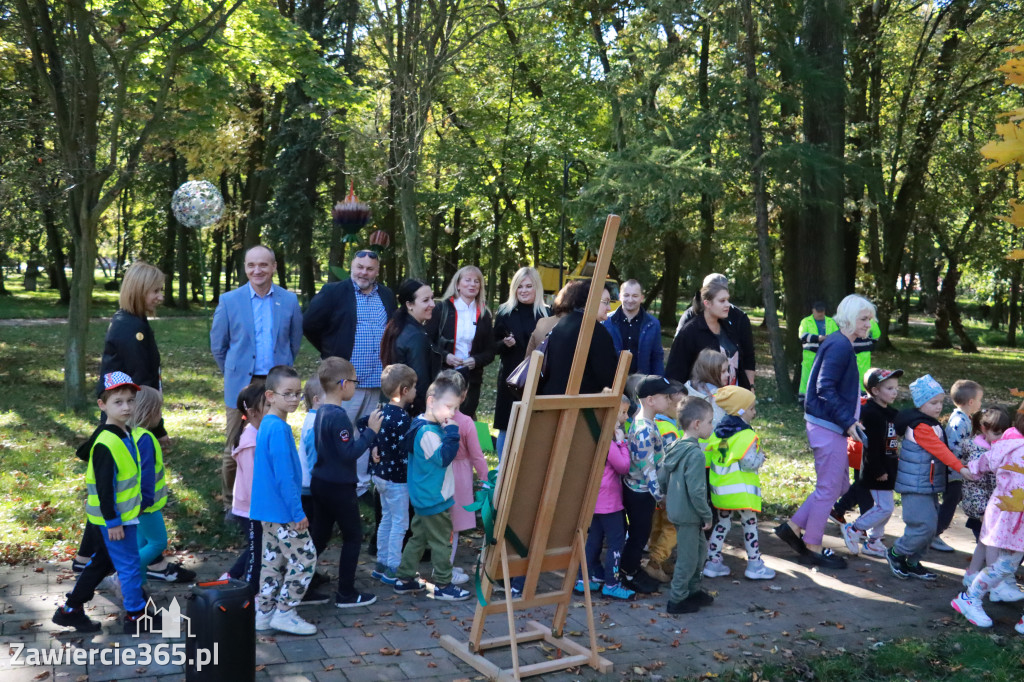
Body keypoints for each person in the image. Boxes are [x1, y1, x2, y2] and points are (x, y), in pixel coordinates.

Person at [72, 262, 168, 574]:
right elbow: (142, 385)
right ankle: (133, 562)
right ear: (140, 291)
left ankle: (88, 559)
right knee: (121, 489)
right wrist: (159, 427)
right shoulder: (132, 329)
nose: (160, 297)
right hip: (129, 419)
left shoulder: (131, 322)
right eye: (155, 291)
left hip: (125, 418)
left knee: (114, 489)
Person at [775, 294, 876, 569]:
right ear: (848, 318)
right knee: (828, 487)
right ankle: (813, 544)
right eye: (864, 319)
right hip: (827, 426)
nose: (869, 324)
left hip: (832, 426)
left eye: (870, 318)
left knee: (840, 485)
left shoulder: (841, 343)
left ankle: (794, 527)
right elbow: (824, 387)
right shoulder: (840, 346)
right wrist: (848, 421)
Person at [53, 372, 151, 634]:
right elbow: (105, 489)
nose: (127, 407)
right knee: (128, 567)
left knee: (101, 563)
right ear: (102, 405)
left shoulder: (123, 432)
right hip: (115, 520)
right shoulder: (107, 442)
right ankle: (136, 617)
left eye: (130, 400)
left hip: (115, 517)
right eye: (118, 402)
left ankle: (70, 610)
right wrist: (114, 522)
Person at [211, 246, 303, 516]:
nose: (257, 270)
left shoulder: (289, 301)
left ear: (274, 266)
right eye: (251, 265)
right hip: (242, 384)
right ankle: (231, 504)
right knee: (235, 448)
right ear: (245, 267)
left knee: (274, 443)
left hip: (275, 385)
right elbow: (218, 346)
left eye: (263, 265)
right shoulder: (230, 301)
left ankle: (269, 499)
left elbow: (294, 342)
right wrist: (235, 374)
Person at [303, 250, 395, 502]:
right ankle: (330, 483)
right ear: (352, 266)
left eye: (369, 268)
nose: (363, 272)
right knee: (338, 432)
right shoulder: (334, 292)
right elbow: (310, 323)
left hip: (376, 379)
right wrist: (329, 351)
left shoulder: (386, 295)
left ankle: (360, 486)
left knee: (366, 432)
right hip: (344, 382)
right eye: (359, 267)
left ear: (377, 271)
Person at [251, 365, 319, 636]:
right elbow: (284, 477)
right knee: (305, 559)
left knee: (273, 561)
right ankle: (285, 612)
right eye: (287, 393)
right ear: (270, 395)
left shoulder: (268, 424)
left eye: (298, 394)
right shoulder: (277, 429)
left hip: (267, 512)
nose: (293, 399)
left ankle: (264, 613)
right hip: (283, 511)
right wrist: (296, 512)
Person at [885, 375, 974, 581]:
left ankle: (913, 562)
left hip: (929, 484)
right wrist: (960, 468)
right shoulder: (920, 426)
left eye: (941, 402)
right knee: (923, 526)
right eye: (933, 403)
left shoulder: (929, 423)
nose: (938, 407)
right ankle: (896, 553)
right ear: (920, 403)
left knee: (931, 527)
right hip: (915, 486)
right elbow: (940, 450)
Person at [312, 357, 383, 608]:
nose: (356, 385)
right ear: (343, 384)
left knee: (319, 537)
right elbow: (348, 453)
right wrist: (371, 432)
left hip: (321, 482)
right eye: (354, 381)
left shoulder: (321, 410)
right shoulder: (339, 416)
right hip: (339, 487)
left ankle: (303, 585)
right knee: (353, 537)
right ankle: (346, 593)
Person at [393, 375, 471, 601]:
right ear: (431, 401)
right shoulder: (428, 432)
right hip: (433, 498)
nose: (452, 414)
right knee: (441, 542)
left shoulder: (423, 423)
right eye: (448, 407)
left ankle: (404, 578)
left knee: (419, 538)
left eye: (455, 408)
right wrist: (453, 434)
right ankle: (444, 585)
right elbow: (444, 458)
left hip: (424, 496)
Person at [950, 399, 1024, 631]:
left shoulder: (1007, 445)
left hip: (1012, 516)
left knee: (1005, 565)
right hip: (1010, 518)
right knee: (1004, 566)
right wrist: (968, 471)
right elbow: (979, 464)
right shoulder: (1011, 448)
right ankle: (970, 599)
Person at [703, 386, 775, 581]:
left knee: (722, 524)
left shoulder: (718, 432)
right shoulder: (746, 436)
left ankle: (713, 561)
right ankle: (754, 564)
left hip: (722, 491)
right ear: (741, 411)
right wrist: (761, 457)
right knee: (749, 524)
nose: (755, 412)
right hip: (741, 491)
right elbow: (750, 462)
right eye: (752, 408)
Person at [130, 387, 195, 583]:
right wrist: (146, 500)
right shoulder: (146, 439)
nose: (161, 415)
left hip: (134, 503)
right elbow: (147, 473)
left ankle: (136, 587)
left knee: (141, 544)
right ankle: (123, 574)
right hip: (146, 505)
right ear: (149, 412)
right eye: (159, 410)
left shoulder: (128, 434)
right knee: (157, 543)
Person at [839, 369, 902, 558]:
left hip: (889, 466)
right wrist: (877, 469)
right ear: (875, 391)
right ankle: (855, 529)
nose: (894, 392)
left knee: (886, 507)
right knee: (885, 507)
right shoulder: (871, 414)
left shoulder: (890, 412)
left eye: (896, 388)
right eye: (889, 388)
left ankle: (874, 541)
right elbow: (871, 447)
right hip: (877, 469)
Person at [660, 397, 716, 614]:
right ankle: (677, 598)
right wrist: (707, 514)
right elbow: (697, 490)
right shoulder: (695, 454)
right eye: (710, 422)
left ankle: (693, 590)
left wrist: (665, 495)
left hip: (679, 511)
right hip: (690, 514)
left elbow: (662, 475)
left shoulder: (675, 446)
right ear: (697, 424)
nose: (712, 426)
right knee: (688, 558)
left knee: (700, 552)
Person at [576, 395, 634, 601]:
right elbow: (623, 466)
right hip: (609, 500)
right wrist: (622, 443)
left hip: (595, 499)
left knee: (593, 540)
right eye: (623, 412)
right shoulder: (608, 442)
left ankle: (584, 579)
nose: (626, 417)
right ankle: (612, 583)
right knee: (617, 541)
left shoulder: (592, 436)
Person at [622, 375, 673, 593]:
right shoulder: (644, 429)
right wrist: (660, 495)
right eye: (666, 397)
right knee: (639, 534)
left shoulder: (647, 423)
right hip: (640, 492)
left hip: (643, 491)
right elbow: (648, 468)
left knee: (641, 532)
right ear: (651, 400)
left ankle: (631, 569)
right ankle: (628, 572)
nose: (670, 401)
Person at [959, 406, 1017, 598]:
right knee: (994, 543)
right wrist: (982, 509)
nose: (1001, 437)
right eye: (997, 433)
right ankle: (995, 584)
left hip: (994, 505)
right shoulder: (978, 450)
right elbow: (974, 483)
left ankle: (972, 574)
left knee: (984, 543)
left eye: (1003, 432)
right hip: (984, 505)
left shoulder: (997, 447)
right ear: (984, 429)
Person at [493, 267, 548, 456]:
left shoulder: (546, 314)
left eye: (528, 286)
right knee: (506, 425)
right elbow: (492, 345)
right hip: (510, 377)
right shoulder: (505, 312)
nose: (523, 290)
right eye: (519, 286)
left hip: (538, 378)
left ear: (537, 288)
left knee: (534, 425)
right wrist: (504, 344)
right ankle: (502, 471)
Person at [440, 370, 489, 584]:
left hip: (439, 473)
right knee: (453, 528)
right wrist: (486, 482)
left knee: (440, 524)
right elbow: (478, 457)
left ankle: (443, 564)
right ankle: (445, 570)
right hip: (459, 477)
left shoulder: (433, 418)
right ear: (464, 394)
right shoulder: (467, 422)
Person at [369, 364, 416, 585]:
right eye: (415, 386)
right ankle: (393, 567)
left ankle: (381, 562)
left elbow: (364, 427)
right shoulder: (403, 419)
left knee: (386, 519)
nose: (417, 390)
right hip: (397, 479)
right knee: (400, 523)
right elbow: (406, 449)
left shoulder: (379, 411)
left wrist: (373, 448)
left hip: (380, 476)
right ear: (405, 390)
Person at [427, 265, 495, 419]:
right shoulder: (442, 309)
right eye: (468, 280)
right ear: (457, 284)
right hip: (443, 376)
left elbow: (491, 351)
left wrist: (476, 360)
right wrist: (446, 356)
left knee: (464, 420)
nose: (472, 284)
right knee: (441, 419)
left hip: (471, 380)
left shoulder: (484, 313)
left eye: (476, 281)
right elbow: (428, 341)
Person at [665, 278, 751, 390]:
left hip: (732, 399)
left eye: (728, 300)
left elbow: (742, 363)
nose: (728, 304)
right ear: (707, 303)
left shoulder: (729, 328)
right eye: (722, 301)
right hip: (702, 401)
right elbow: (675, 375)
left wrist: (748, 390)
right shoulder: (689, 332)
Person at [222, 383, 267, 594]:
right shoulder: (251, 441)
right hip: (251, 509)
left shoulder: (254, 432)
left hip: (253, 508)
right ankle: (250, 593)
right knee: (257, 553)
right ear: (252, 412)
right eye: (267, 405)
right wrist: (262, 508)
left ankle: (229, 577)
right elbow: (251, 481)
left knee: (256, 548)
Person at [537, 280, 617, 396]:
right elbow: (609, 378)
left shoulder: (562, 323)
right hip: (578, 407)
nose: (609, 308)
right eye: (605, 302)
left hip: (550, 400)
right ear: (589, 300)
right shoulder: (595, 330)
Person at [932, 380, 984, 553]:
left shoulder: (965, 418)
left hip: (958, 472)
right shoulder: (959, 421)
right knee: (950, 503)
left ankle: (932, 530)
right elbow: (954, 449)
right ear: (971, 402)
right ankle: (933, 534)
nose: (980, 403)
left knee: (952, 502)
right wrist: (965, 464)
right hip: (954, 473)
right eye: (979, 400)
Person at [381, 279, 435, 416]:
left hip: (397, 405)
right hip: (412, 411)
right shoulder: (415, 336)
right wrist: (426, 414)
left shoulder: (398, 326)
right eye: (426, 300)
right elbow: (421, 383)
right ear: (409, 304)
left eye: (432, 299)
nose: (433, 304)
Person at [603, 279, 664, 375]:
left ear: (642, 298)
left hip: (641, 384)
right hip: (611, 381)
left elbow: (657, 357)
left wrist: (658, 383)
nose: (630, 300)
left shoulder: (653, 324)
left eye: (635, 296)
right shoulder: (606, 322)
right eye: (626, 295)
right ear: (620, 297)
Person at [797, 302, 838, 397]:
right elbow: (802, 335)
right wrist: (819, 338)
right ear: (813, 311)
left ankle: (819, 397)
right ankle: (804, 398)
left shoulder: (830, 321)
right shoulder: (806, 321)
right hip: (810, 355)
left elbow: (836, 336)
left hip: (827, 355)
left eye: (822, 312)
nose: (820, 314)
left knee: (823, 377)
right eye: (818, 312)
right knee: (807, 377)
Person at [683, 348, 728, 428]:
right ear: (711, 372)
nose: (728, 375)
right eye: (723, 371)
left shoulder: (686, 390)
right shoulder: (719, 396)